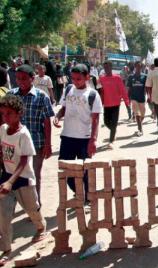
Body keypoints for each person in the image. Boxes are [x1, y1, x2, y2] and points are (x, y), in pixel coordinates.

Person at [0, 94, 48, 266]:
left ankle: (41, 227)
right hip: (6, 177)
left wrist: (10, 182)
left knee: (32, 209)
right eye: (3, 113)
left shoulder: (24, 134)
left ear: (19, 113)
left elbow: (23, 161)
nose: (5, 117)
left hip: (23, 179)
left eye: (9, 113)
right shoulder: (3, 129)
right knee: (4, 215)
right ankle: (6, 249)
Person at [53, 64, 102, 203]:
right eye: (73, 78)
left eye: (78, 79)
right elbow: (63, 108)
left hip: (84, 139)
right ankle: (79, 192)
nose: (75, 81)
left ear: (87, 77)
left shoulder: (93, 94)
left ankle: (87, 196)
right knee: (66, 171)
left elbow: (96, 119)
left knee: (84, 171)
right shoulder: (68, 89)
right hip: (67, 137)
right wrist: (57, 116)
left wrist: (93, 140)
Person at [9, 65, 54, 204]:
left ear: (32, 79)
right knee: (12, 174)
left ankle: (35, 204)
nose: (20, 81)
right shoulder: (11, 95)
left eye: (24, 78)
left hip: (36, 143)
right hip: (13, 144)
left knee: (33, 175)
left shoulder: (41, 97)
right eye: (18, 78)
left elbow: (47, 122)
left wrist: (48, 144)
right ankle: (14, 204)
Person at [97, 61, 130, 149]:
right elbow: (96, 88)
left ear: (111, 67)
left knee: (114, 123)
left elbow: (123, 90)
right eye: (105, 68)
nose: (106, 69)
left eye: (108, 67)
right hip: (106, 104)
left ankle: (111, 141)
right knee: (106, 122)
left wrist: (127, 102)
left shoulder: (117, 78)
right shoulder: (101, 79)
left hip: (116, 104)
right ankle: (113, 131)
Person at [127, 61, 147, 136]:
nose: (138, 68)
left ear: (142, 67)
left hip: (142, 98)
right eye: (137, 66)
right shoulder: (130, 77)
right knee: (137, 114)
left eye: (140, 66)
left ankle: (139, 125)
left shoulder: (145, 76)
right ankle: (140, 129)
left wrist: (149, 96)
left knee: (142, 114)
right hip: (134, 98)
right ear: (135, 67)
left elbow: (147, 87)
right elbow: (128, 88)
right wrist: (127, 98)